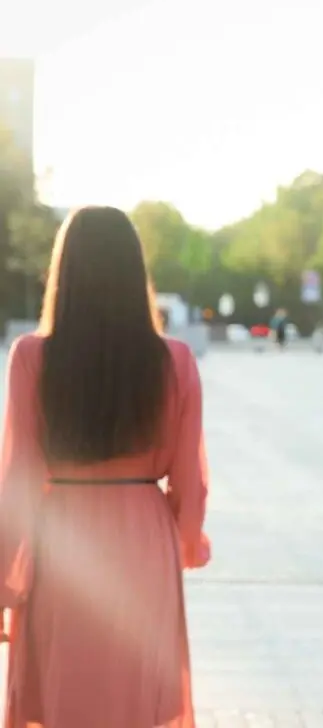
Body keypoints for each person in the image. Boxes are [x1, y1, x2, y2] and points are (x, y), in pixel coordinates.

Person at [0, 206, 211, 728]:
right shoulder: (175, 361)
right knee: (136, 697)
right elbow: (190, 481)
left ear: (64, 272)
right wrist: (186, 543)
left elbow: (16, 479)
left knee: (65, 693)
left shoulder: (31, 358)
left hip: (62, 542)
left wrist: (5, 576)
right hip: (143, 540)